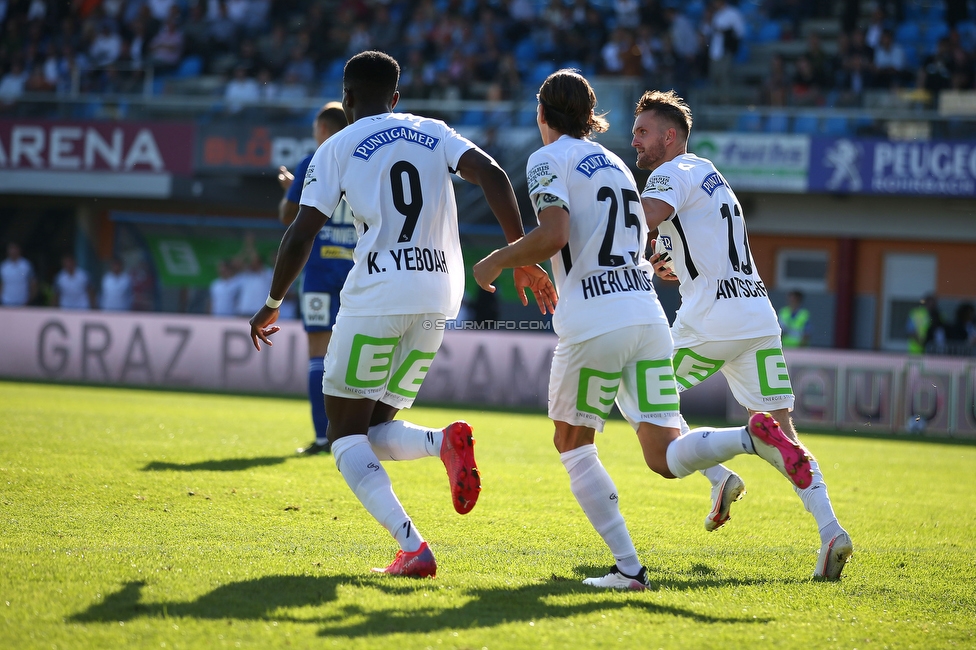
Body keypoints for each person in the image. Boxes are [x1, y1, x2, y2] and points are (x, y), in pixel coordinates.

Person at [473, 70, 814, 590]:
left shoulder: (547, 158)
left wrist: (498, 259)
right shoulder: (614, 164)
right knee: (662, 454)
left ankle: (629, 569)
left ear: (542, 116)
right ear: (591, 117)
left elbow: (555, 233)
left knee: (572, 440)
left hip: (594, 319)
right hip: (648, 316)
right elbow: (632, 239)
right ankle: (748, 437)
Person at [248, 51, 556, 578]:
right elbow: (495, 175)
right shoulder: (432, 131)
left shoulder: (336, 146)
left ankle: (412, 547)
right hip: (440, 294)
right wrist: (519, 253)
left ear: (347, 100)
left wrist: (272, 302)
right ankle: (443, 443)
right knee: (373, 429)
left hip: (379, 294)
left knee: (344, 435)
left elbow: (302, 231)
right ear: (396, 98)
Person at [635, 89, 853, 580]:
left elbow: (641, 220)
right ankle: (831, 531)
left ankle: (719, 472)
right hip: (755, 315)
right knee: (786, 436)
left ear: (671, 137)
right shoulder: (711, 175)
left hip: (711, 321)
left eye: (644, 132)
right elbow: (697, 243)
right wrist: (676, 266)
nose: (636, 142)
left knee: (635, 389)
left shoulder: (669, 173)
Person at [277, 102, 355, 456]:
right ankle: (356, 434)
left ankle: (323, 437)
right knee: (358, 354)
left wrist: (291, 190)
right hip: (359, 273)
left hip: (321, 272)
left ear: (323, 128)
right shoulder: (363, 157)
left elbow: (288, 217)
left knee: (317, 355)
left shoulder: (312, 161)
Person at [1, 243, 37, 307]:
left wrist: (30, 299)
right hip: (6, 301)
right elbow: (2, 283)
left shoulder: (26, 265)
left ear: (19, 250)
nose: (13, 251)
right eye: (11, 249)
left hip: (22, 302)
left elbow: (33, 283)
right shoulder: (4, 266)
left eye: (15, 249)